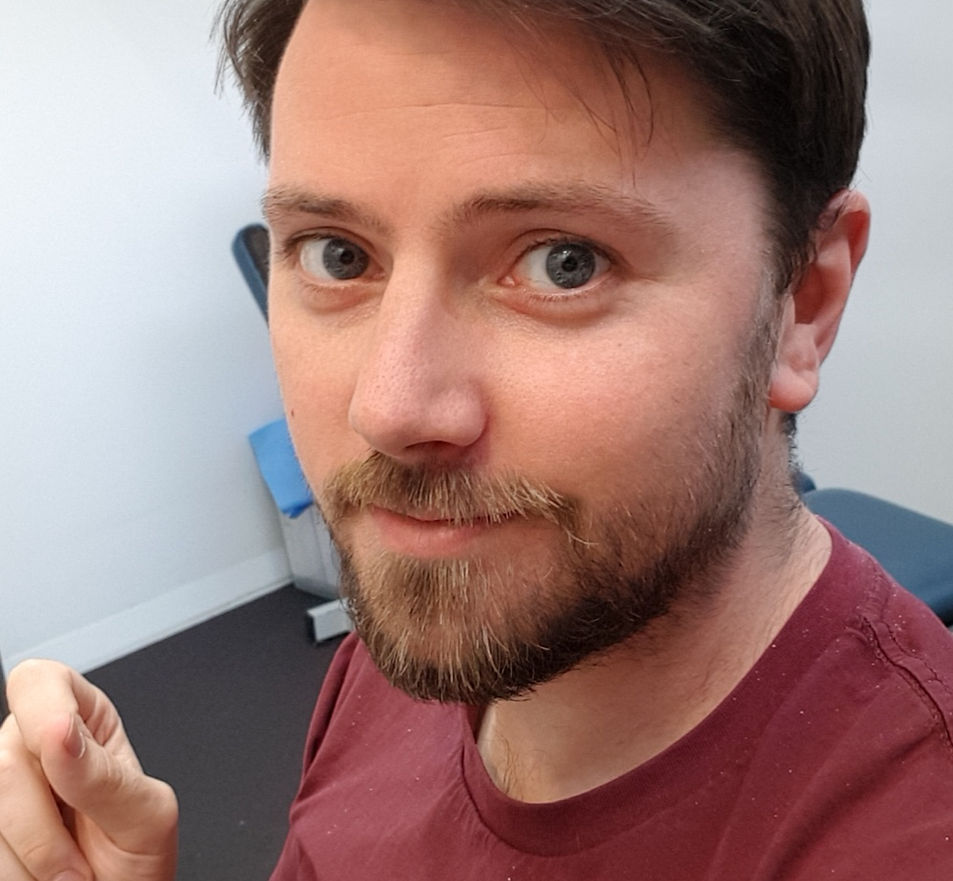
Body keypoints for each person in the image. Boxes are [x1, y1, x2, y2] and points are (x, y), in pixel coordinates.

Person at [3, 0, 953, 878]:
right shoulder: (420, 625)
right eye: (338, 255)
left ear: (805, 302)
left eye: (562, 263)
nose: (391, 409)